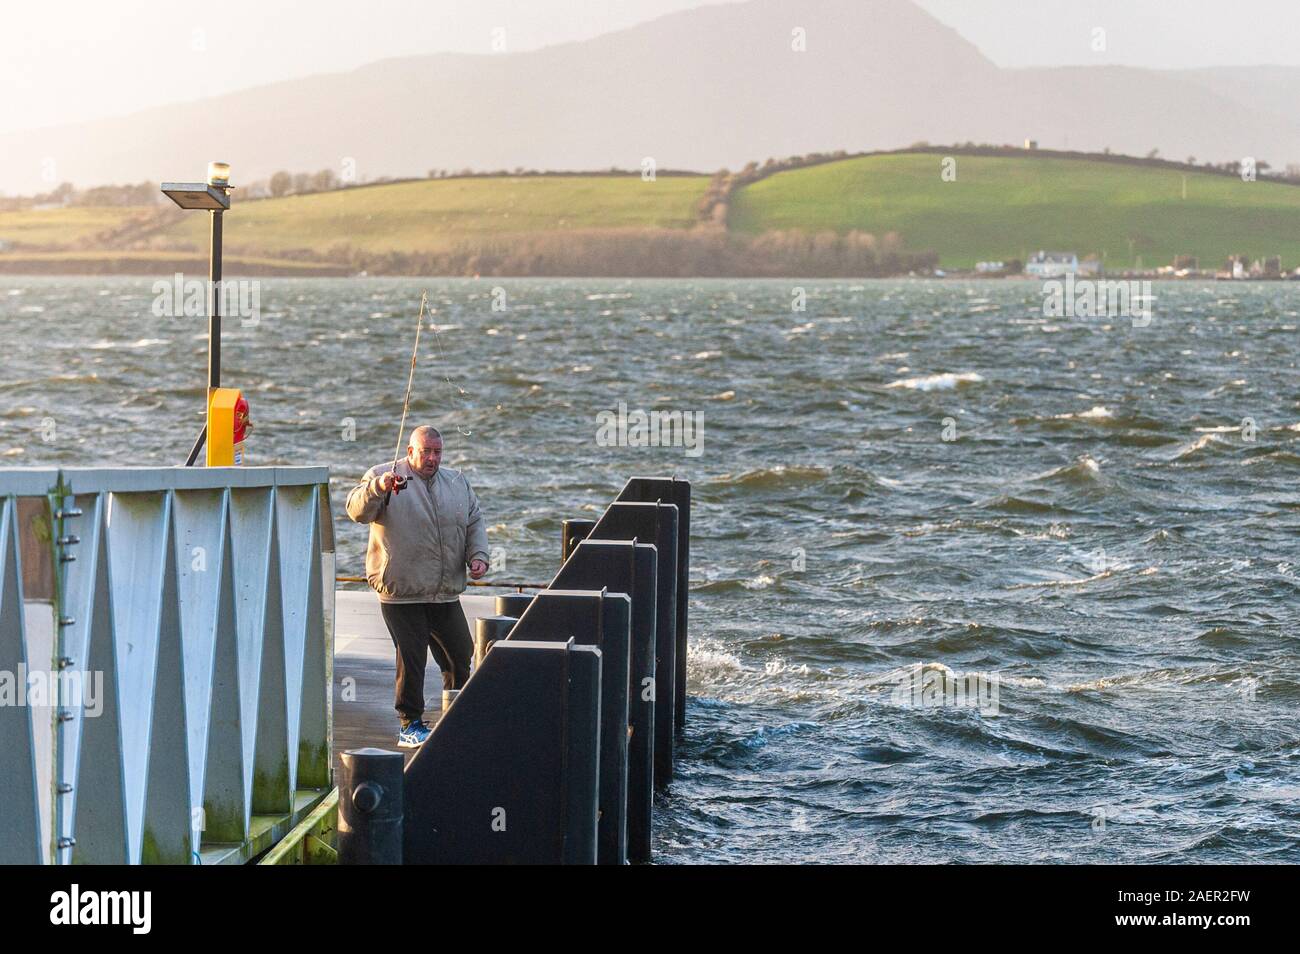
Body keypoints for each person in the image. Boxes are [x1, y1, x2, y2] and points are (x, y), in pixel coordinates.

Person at [345, 425, 489, 747]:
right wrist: (379, 487)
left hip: (444, 590)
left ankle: (457, 715)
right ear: (410, 451)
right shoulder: (384, 476)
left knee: (460, 653)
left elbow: (474, 520)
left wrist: (478, 556)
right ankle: (409, 724)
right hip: (400, 591)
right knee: (412, 658)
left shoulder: (456, 482)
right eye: (426, 452)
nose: (433, 458)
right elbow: (356, 510)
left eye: (438, 452)